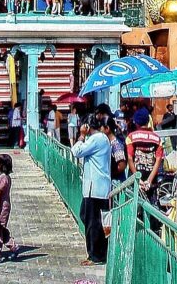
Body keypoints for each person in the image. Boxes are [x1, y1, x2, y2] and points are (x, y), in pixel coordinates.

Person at [71, 114, 111, 266]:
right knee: (86, 217)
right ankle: (96, 251)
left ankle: (96, 255)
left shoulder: (97, 139)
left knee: (93, 223)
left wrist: (81, 136)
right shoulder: (98, 139)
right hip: (92, 187)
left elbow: (76, 151)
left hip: (96, 188)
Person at [126, 107, 164, 212]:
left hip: (135, 180)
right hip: (151, 182)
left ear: (136, 123)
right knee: (150, 209)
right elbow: (158, 160)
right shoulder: (157, 139)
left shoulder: (131, 137)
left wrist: (138, 179)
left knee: (134, 209)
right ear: (148, 121)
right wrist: (149, 181)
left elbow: (129, 158)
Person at [0, 153, 19, 261]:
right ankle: (13, 246)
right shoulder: (6, 178)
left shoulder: (2, 179)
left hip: (0, 208)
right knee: (1, 230)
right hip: (3, 207)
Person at [101, 116, 127, 182]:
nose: (100, 131)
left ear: (107, 128)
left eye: (101, 128)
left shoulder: (116, 145)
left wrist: (110, 174)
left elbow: (122, 166)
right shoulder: (108, 142)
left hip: (117, 182)